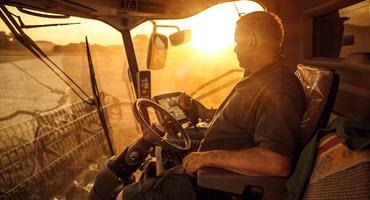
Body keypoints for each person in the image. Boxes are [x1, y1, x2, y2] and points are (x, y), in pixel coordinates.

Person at [121, 11, 305, 200]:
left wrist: (207, 158)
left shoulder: (278, 89)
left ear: (251, 40)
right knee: (159, 147)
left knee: (125, 196)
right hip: (211, 167)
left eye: (238, 41)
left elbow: (276, 162)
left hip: (214, 186)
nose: (235, 49)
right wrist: (199, 111)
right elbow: (240, 121)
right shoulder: (260, 78)